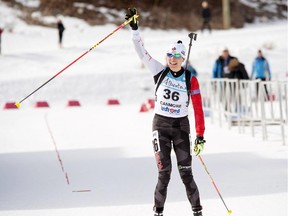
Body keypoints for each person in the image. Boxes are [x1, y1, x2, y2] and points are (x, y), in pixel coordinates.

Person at [125, 8, 206, 216]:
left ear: (182, 58)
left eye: (176, 56)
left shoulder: (190, 79)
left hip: (181, 127)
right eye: (169, 55)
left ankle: (197, 211)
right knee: (164, 173)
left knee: (186, 173)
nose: (171, 59)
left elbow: (197, 108)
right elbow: (141, 52)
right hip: (160, 126)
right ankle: (158, 212)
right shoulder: (159, 71)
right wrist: (135, 30)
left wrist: (200, 135)